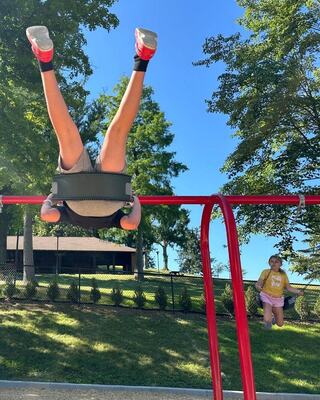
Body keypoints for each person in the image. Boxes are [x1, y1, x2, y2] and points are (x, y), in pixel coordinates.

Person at [26, 25, 158, 230]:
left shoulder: (111, 220)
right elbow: (47, 216)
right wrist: (51, 199)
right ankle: (44, 60)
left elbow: (131, 223)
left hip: (111, 197)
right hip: (74, 196)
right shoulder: (69, 217)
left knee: (119, 132)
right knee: (66, 133)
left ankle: (143, 57)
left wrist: (135, 200)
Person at [255, 254, 303, 329]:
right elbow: (260, 281)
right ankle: (268, 324)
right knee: (267, 319)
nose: (274, 263)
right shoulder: (266, 272)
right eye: (271, 261)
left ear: (280, 264)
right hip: (266, 296)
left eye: (276, 262)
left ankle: (274, 315)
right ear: (269, 263)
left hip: (278, 299)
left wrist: (298, 291)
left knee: (280, 324)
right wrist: (258, 285)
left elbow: (288, 287)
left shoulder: (283, 274)